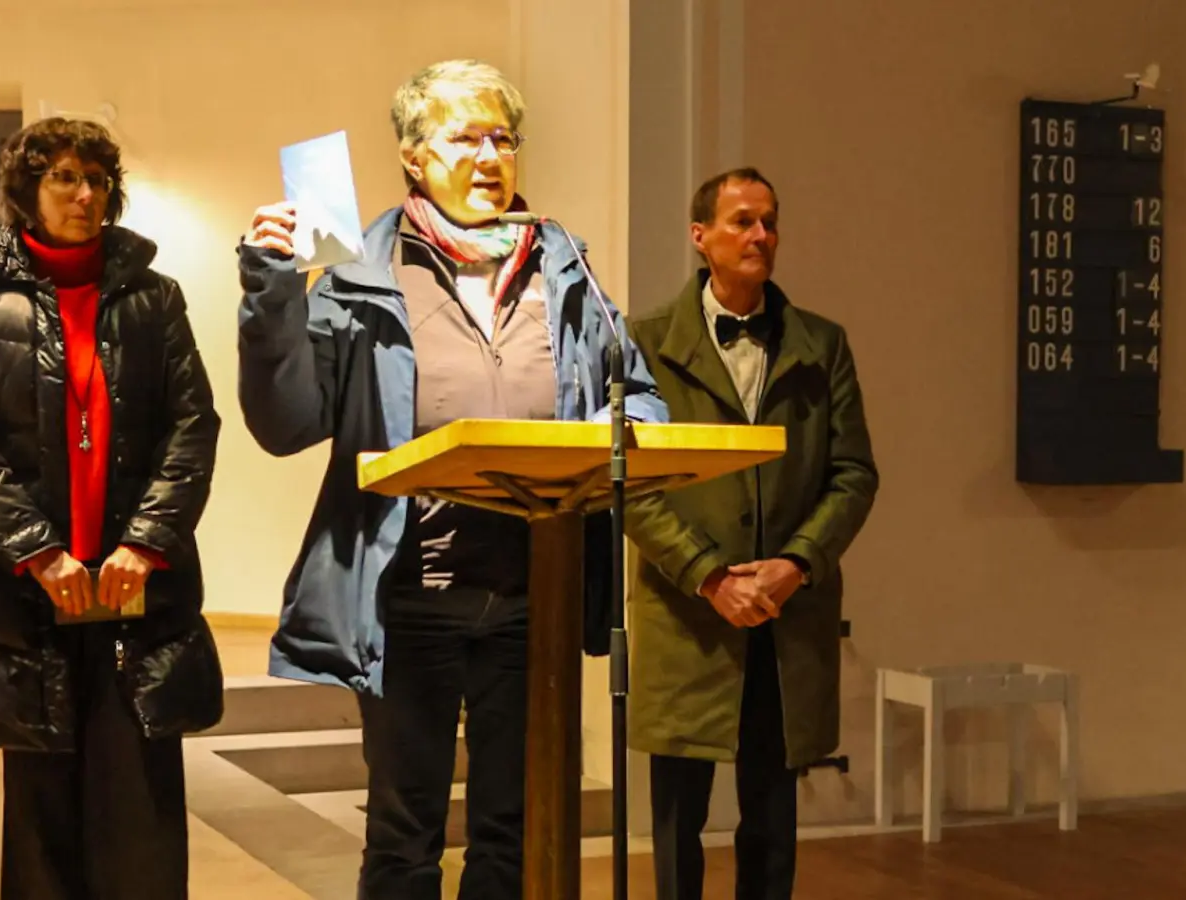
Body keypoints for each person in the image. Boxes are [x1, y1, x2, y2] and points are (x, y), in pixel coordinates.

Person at [236, 58, 667, 899]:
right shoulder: (362, 271)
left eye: (502, 137)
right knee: (405, 838)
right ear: (413, 156)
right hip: (409, 603)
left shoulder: (563, 269)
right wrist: (273, 292)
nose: (489, 155)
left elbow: (635, 391)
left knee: (518, 831)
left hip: (531, 600)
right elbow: (286, 423)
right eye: (464, 137)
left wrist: (635, 429)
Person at [0, 116, 224, 900]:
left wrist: (144, 545)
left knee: (142, 811)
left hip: (134, 595)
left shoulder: (155, 299)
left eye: (95, 179)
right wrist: (40, 552)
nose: (84, 194)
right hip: (28, 597)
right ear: (27, 190)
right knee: (41, 820)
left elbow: (193, 428)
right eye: (62, 177)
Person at [624, 168, 878, 900]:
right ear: (700, 237)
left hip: (784, 612)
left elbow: (854, 474)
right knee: (676, 820)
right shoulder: (642, 341)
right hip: (688, 615)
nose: (761, 236)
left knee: (772, 815)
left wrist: (795, 565)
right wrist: (708, 573)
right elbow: (629, 484)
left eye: (769, 221)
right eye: (742, 221)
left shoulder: (822, 344)